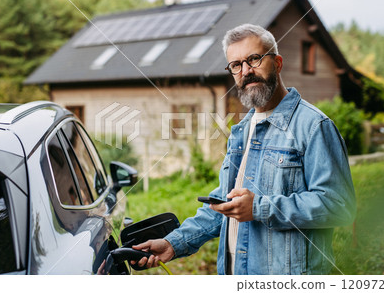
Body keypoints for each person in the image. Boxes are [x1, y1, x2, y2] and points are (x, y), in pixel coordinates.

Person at [133, 23, 356, 275]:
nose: (246, 71)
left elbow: (340, 206)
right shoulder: (242, 129)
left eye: (254, 59)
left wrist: (260, 207)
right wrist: (173, 243)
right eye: (236, 65)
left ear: (278, 63)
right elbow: (226, 204)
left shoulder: (314, 126)